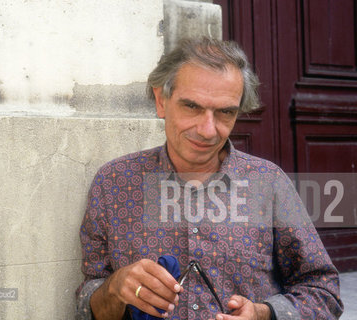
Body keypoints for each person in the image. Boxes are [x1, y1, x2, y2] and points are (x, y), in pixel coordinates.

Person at [76, 37, 344, 320]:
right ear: (161, 100)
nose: (207, 130)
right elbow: (88, 301)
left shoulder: (269, 183)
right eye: (191, 106)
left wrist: (265, 314)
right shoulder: (113, 182)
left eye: (225, 112)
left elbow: (324, 291)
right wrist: (114, 288)